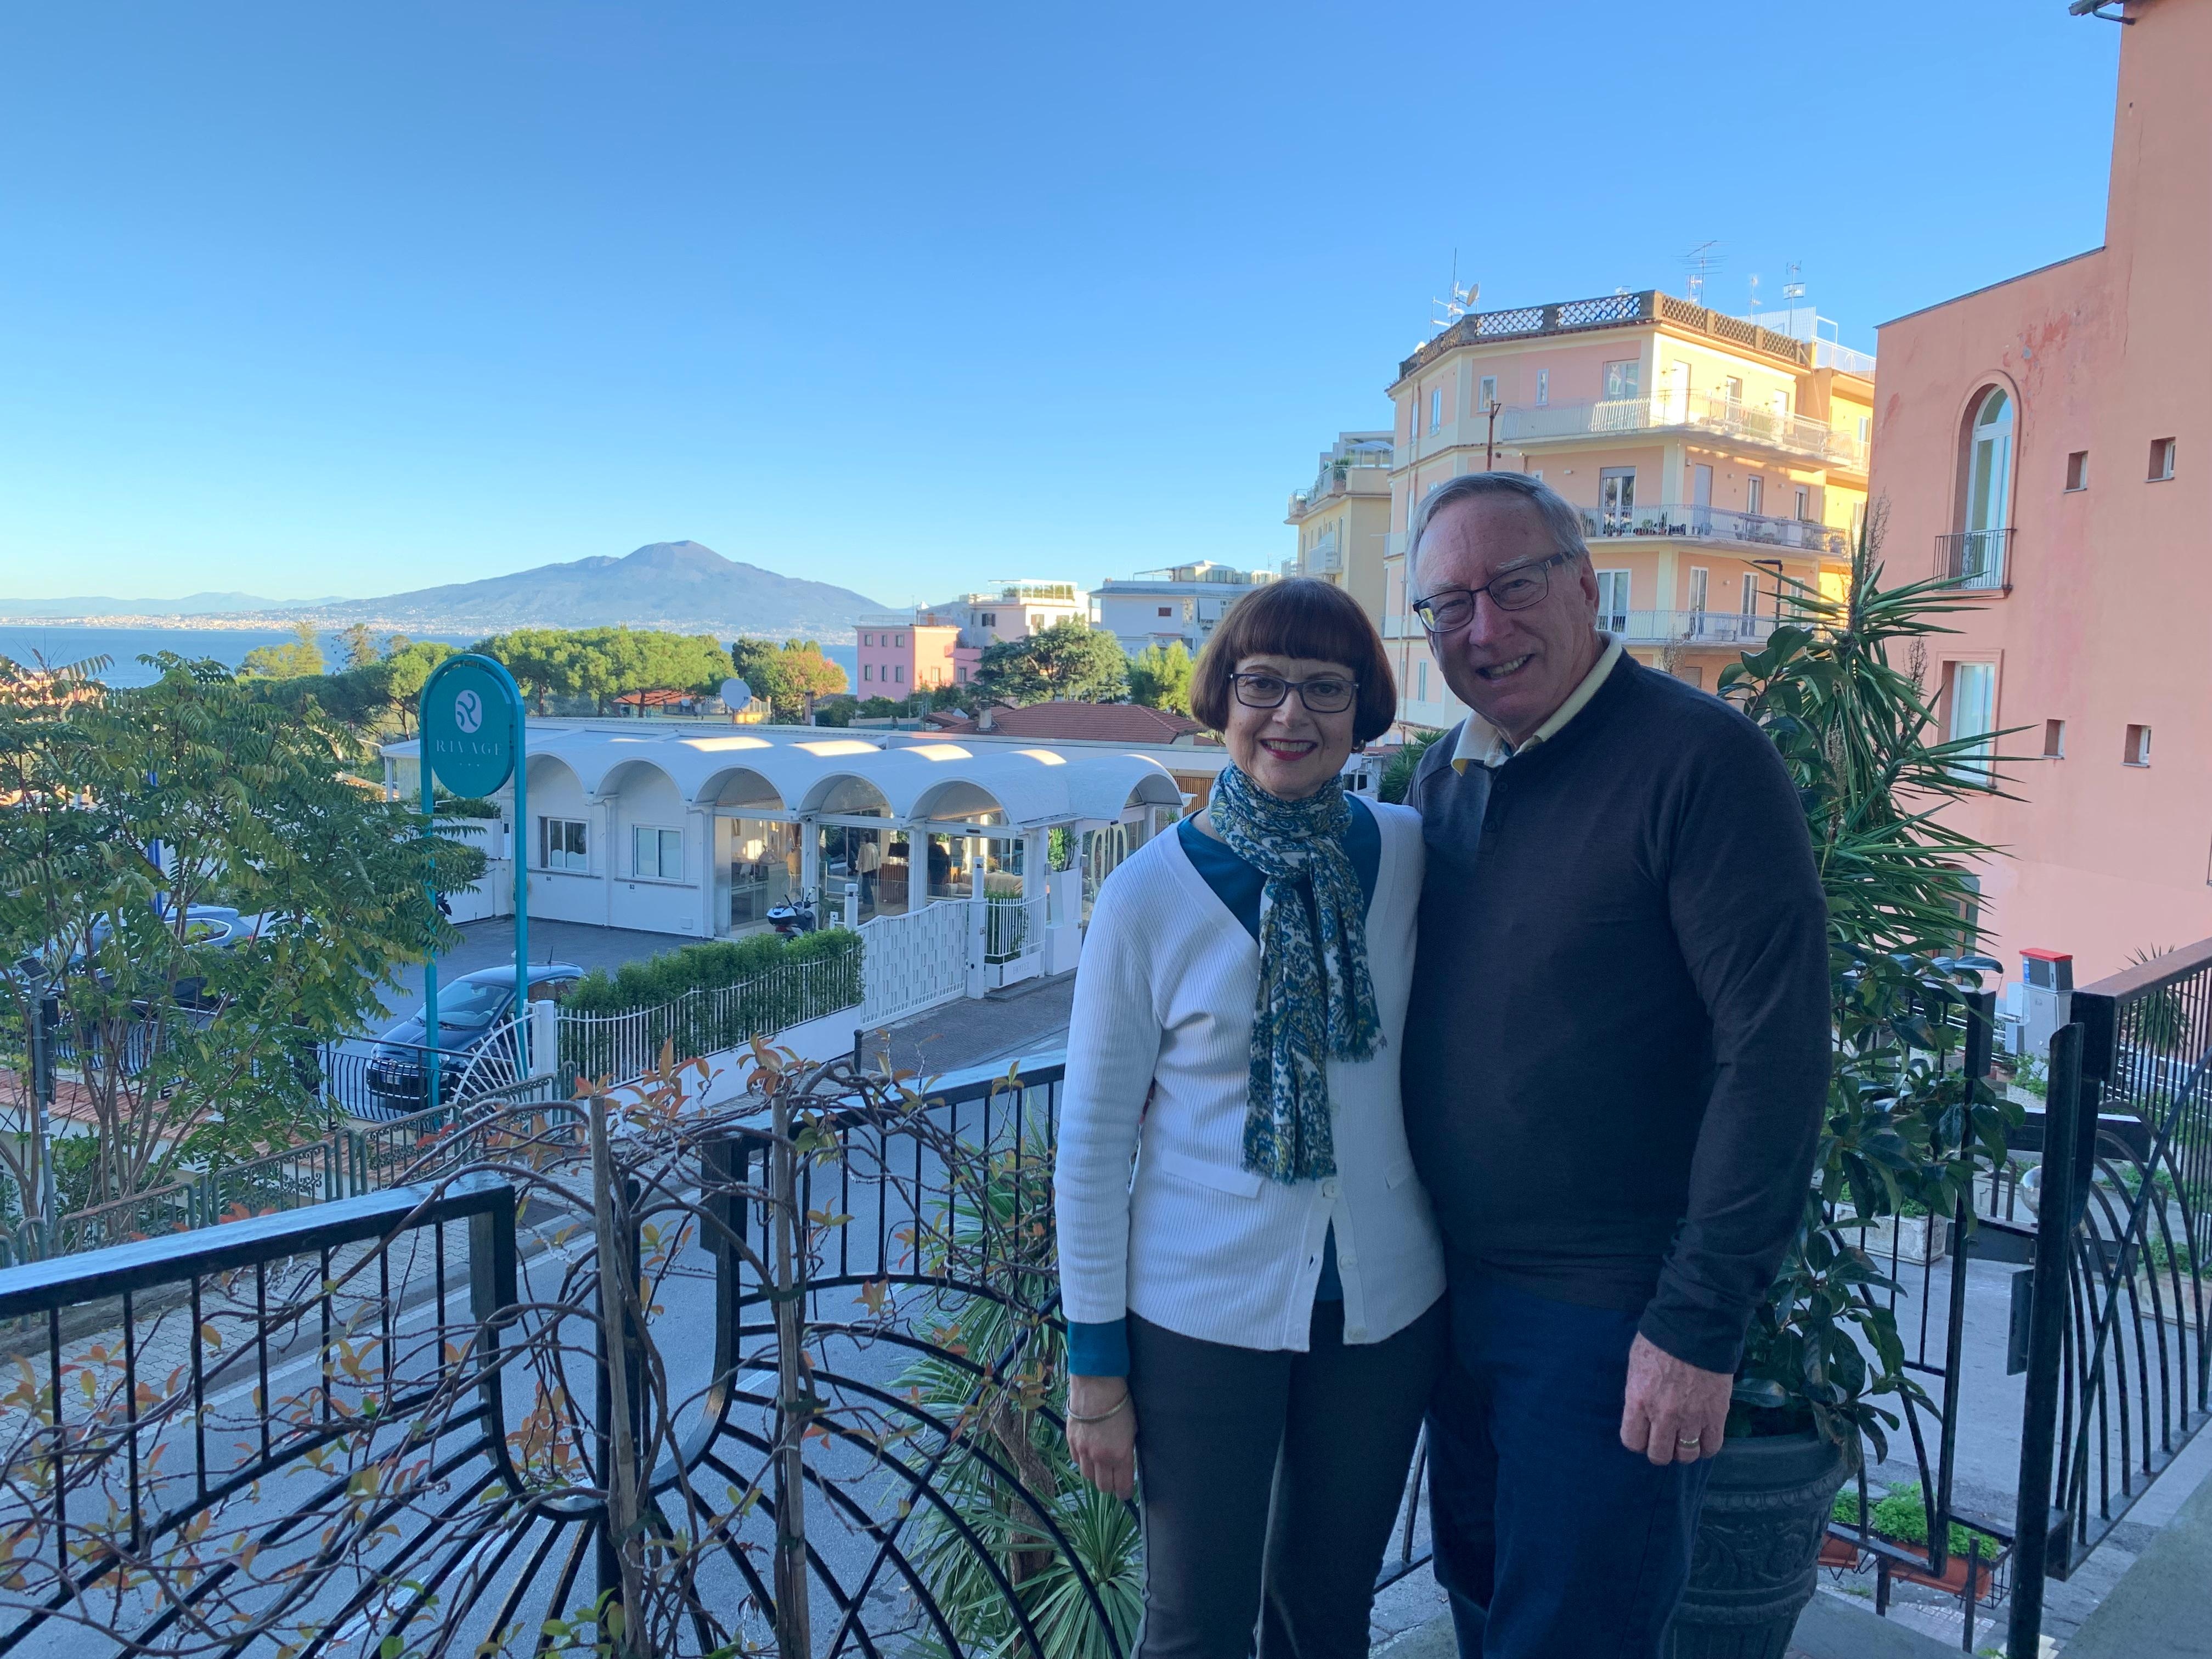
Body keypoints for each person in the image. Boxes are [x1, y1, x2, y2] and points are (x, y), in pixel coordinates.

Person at [1397, 472, 1830, 1658]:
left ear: (1589, 586)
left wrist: (1699, 1325)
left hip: (1614, 1315)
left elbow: (1776, 1052)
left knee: (1577, 1633)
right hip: (1458, 1301)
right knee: (1483, 1600)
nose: (1484, 629)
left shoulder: (1703, 761)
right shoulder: (1445, 778)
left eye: (1514, 585)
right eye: (1449, 606)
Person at [1056, 578, 1447, 1659]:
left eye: (1326, 688)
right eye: (1262, 683)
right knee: (1192, 1630)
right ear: (1220, 698)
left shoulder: (1411, 856)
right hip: (1196, 1323)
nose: (1291, 716)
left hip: (1384, 1315)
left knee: (1326, 1621)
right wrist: (1096, 1375)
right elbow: (1090, 1145)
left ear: (1364, 707)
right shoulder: (1148, 896)